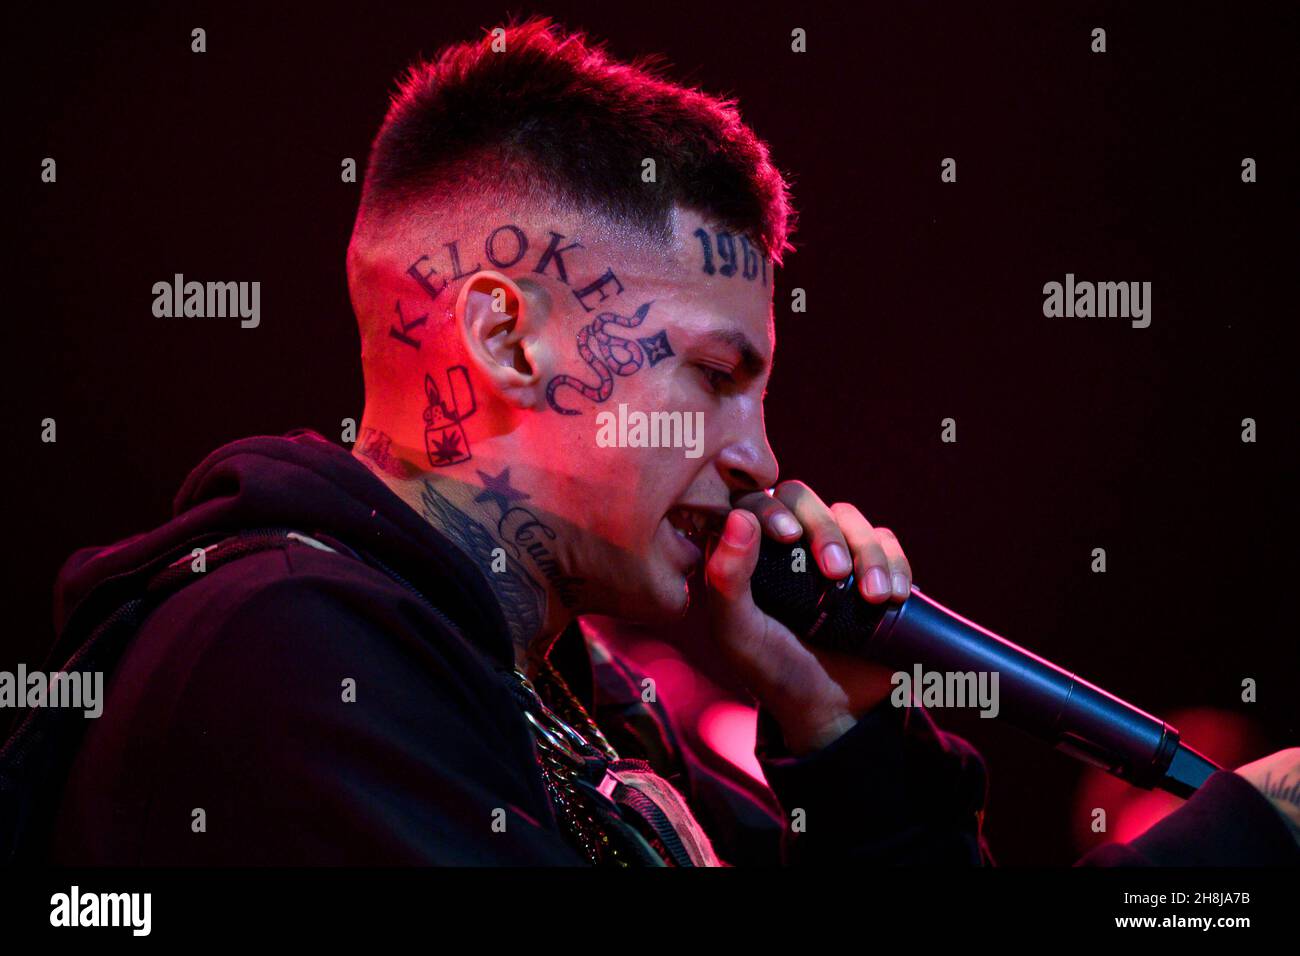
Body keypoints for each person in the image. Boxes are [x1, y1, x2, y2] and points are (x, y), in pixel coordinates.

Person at [39, 16, 1299, 866]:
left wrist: (837, 728)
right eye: (713, 374)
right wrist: (1241, 844)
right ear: (506, 337)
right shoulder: (280, 650)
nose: (759, 457)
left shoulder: (588, 703)